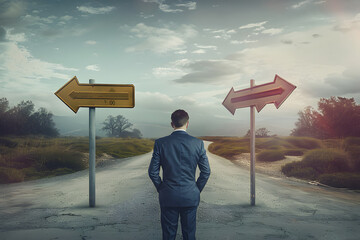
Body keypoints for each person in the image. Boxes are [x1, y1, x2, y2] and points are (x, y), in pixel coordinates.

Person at [148, 109, 211, 240]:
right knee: (189, 235)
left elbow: (152, 172)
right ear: (187, 123)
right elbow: (206, 172)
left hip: (168, 195)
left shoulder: (160, 143)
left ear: (172, 124)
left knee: (168, 235)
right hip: (190, 195)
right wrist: (196, 189)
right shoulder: (198, 144)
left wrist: (162, 188)